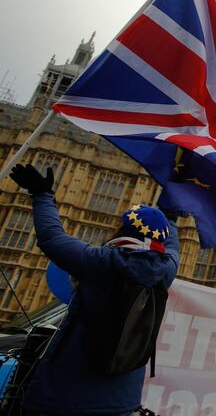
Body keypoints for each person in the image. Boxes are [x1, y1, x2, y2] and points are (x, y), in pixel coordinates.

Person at [8, 163, 180, 415]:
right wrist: (171, 218)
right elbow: (172, 249)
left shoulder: (99, 262)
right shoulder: (165, 271)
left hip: (63, 398)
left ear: (124, 228)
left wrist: (42, 194)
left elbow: (51, 236)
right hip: (122, 401)